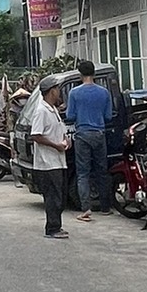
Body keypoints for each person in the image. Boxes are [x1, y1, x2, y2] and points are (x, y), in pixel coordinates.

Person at [63, 61, 114, 220]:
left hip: (82, 135)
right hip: (99, 134)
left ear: (80, 75)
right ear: (94, 74)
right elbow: (108, 116)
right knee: (102, 171)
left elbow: (70, 116)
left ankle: (86, 209)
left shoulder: (74, 93)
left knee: (83, 173)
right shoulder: (104, 92)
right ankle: (105, 207)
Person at [24, 79, 72, 236]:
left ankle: (56, 225)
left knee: (60, 195)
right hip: (47, 163)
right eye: (57, 89)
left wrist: (66, 140)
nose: (59, 92)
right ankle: (52, 228)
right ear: (52, 91)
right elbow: (36, 135)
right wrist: (55, 145)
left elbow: (59, 130)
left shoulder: (53, 109)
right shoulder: (41, 111)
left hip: (58, 161)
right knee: (53, 197)